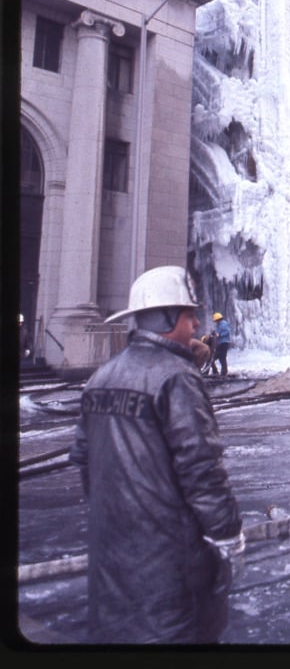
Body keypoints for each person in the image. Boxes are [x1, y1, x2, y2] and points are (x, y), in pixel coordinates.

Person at [69, 265, 244, 644]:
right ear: (165, 318)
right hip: (170, 564)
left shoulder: (101, 377)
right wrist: (227, 533)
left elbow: (84, 459)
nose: (196, 325)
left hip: (112, 555)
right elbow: (202, 469)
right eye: (188, 316)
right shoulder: (177, 377)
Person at [213, 311, 231, 377]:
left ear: (218, 319)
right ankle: (218, 372)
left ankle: (223, 373)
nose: (215, 322)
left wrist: (219, 335)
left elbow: (227, 332)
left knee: (222, 357)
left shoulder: (224, 324)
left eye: (216, 320)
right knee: (219, 358)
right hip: (221, 343)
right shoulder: (219, 325)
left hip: (224, 343)